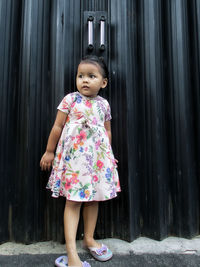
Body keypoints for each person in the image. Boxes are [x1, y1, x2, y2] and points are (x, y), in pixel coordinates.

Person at [40, 55, 121, 267]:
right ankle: (71, 252)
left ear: (103, 83)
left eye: (91, 76)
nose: (84, 80)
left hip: (96, 163)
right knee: (73, 201)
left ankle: (89, 239)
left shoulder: (104, 104)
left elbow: (107, 131)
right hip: (73, 163)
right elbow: (57, 127)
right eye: (81, 76)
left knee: (93, 199)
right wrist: (49, 151)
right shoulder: (70, 100)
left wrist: (108, 155)